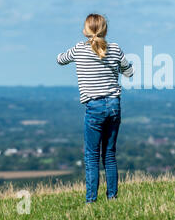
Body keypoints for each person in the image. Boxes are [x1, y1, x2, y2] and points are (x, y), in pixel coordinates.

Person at [57, 13, 133, 202]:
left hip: (94, 106)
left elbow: (60, 59)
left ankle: (91, 200)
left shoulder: (78, 50)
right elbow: (130, 72)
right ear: (105, 29)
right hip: (114, 105)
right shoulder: (115, 48)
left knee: (91, 156)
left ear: (86, 30)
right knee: (109, 154)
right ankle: (112, 197)